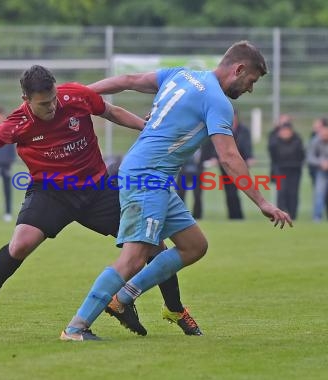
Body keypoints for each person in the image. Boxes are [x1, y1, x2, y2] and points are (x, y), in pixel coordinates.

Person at [0, 65, 201, 336]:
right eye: (44, 104)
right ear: (26, 100)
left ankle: (174, 309)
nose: (52, 107)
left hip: (97, 189)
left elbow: (112, 112)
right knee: (20, 245)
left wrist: (146, 128)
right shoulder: (19, 123)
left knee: (152, 243)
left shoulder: (76, 96)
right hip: (51, 192)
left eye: (53, 99)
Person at [61, 40, 292, 341]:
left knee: (194, 245)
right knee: (133, 258)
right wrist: (261, 201)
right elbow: (229, 156)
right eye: (252, 81)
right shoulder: (217, 101)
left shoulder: (182, 75)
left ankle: (124, 297)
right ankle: (76, 328)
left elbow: (128, 81)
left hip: (153, 177)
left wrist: (82, 93)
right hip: (148, 178)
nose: (250, 89)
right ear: (239, 69)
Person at [268, 122, 305, 220]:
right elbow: (272, 152)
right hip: (280, 171)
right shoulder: (275, 141)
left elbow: (300, 155)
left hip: (294, 171)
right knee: (281, 193)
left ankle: (292, 216)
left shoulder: (297, 141)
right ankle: (280, 215)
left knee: (293, 194)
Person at [308, 117, 328, 220]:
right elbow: (310, 155)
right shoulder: (313, 138)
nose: (315, 126)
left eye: (317, 125)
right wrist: (320, 163)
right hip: (316, 169)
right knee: (319, 193)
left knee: (325, 194)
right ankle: (319, 215)